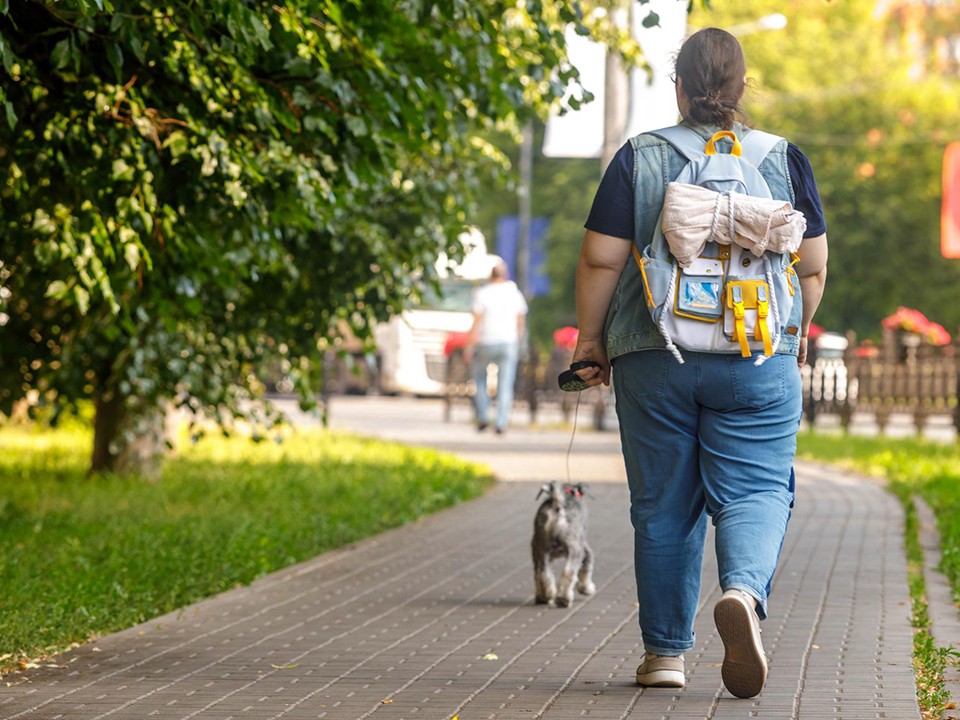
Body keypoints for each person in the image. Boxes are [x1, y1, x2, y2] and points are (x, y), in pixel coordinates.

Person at [571, 28, 828, 699]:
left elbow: (601, 258)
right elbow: (813, 266)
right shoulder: (783, 157)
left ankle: (664, 656)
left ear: (679, 86)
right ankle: (741, 592)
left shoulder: (640, 156)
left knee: (662, 505)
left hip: (656, 352)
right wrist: (791, 333)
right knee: (757, 489)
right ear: (741, 89)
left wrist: (590, 343)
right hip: (757, 352)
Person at [467, 258, 528, 434]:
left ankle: (483, 416)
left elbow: (476, 321)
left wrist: (469, 344)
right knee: (505, 383)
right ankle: (501, 422)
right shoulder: (514, 293)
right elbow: (520, 321)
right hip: (508, 342)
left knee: (479, 379)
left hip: (486, 341)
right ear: (505, 275)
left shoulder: (482, 293)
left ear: (490, 276)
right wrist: (519, 342)